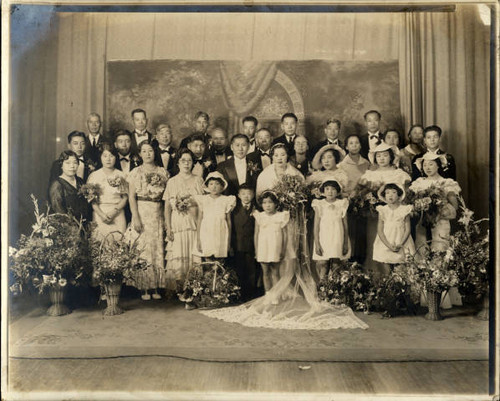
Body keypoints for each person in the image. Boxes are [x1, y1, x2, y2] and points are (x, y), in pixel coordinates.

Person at [200, 144, 368, 330]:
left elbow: (303, 197)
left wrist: (291, 202)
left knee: (289, 249)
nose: (280, 158)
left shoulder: (296, 174)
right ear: (272, 157)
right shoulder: (265, 174)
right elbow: (260, 197)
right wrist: (273, 207)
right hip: (271, 218)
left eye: (283, 155)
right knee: (273, 252)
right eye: (276, 155)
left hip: (290, 218)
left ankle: (290, 286)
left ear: (287, 156)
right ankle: (275, 291)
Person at [410, 152, 462, 308]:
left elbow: (455, 208)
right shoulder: (418, 183)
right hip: (422, 225)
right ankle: (425, 299)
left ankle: (440, 299)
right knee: (422, 255)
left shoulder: (447, 183)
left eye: (431, 164)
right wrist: (421, 208)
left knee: (439, 256)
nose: (428, 167)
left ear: (438, 165)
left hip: (440, 224)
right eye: (425, 165)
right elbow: (411, 205)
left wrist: (438, 209)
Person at [359, 143, 411, 274]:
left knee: (397, 248)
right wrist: (371, 202)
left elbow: (404, 195)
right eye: (379, 156)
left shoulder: (399, 174)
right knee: (377, 247)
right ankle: (378, 280)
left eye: (385, 155)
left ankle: (398, 283)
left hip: (396, 217)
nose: (382, 159)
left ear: (391, 157)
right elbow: (362, 195)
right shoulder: (369, 174)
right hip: (375, 217)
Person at [127, 141, 168, 300]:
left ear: (154, 152)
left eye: (150, 150)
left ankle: (156, 287)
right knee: (144, 248)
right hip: (142, 211)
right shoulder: (135, 172)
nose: (148, 154)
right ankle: (144, 288)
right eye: (144, 151)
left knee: (157, 247)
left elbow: (165, 198)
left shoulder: (162, 172)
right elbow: (131, 197)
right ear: (140, 154)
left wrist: (165, 218)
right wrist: (135, 217)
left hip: (157, 211)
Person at [163, 148, 204, 294]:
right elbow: (167, 207)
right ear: (178, 163)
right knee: (179, 254)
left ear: (193, 163)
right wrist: (168, 227)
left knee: (193, 255)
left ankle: (192, 290)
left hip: (193, 223)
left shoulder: (198, 180)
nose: (186, 164)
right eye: (183, 160)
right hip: (177, 224)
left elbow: (202, 206)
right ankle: (179, 289)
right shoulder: (172, 181)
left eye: (189, 160)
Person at [337, 134, 370, 264]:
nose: (354, 146)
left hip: (363, 203)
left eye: (356, 143)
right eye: (351, 143)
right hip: (347, 202)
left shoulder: (367, 163)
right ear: (346, 146)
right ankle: (348, 263)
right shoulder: (341, 165)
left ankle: (361, 263)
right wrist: (348, 196)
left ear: (360, 145)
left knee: (362, 234)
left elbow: (370, 182)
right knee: (348, 232)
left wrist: (362, 194)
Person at [86, 143, 128, 240]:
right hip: (99, 213)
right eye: (105, 156)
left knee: (118, 244)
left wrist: (115, 211)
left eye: (111, 156)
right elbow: (92, 199)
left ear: (115, 157)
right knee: (99, 244)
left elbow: (125, 198)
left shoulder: (121, 175)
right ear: (100, 157)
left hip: (117, 213)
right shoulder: (94, 176)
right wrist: (101, 215)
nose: (108, 159)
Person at [253, 191, 289, 301]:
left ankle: (276, 295)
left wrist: (283, 249)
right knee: (265, 272)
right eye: (264, 203)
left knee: (275, 272)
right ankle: (268, 294)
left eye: (270, 202)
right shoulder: (259, 216)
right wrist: (256, 249)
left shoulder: (281, 216)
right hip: (263, 247)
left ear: (276, 204)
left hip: (275, 247)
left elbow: (285, 235)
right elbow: (256, 234)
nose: (267, 205)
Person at [373, 183, 415, 275]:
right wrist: (388, 245)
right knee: (386, 273)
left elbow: (408, 229)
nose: (390, 195)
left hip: (401, 242)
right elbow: (380, 230)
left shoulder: (404, 210)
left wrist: (400, 244)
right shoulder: (383, 210)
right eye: (387, 193)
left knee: (400, 273)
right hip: (386, 242)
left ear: (399, 195)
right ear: (384, 196)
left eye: (394, 192)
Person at [312, 179, 350, 279]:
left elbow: (345, 225)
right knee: (323, 264)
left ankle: (334, 291)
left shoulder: (342, 203)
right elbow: (316, 226)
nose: (330, 191)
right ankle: (322, 290)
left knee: (336, 265)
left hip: (337, 237)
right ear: (323, 191)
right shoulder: (319, 204)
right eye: (327, 189)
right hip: (324, 238)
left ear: (337, 191)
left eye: (333, 189)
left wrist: (345, 242)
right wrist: (317, 243)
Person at [195, 172, 236, 261]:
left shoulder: (226, 200)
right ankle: (209, 275)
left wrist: (228, 241)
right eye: (211, 184)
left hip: (221, 232)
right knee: (208, 258)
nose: (214, 187)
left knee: (219, 261)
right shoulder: (203, 200)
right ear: (207, 186)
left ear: (222, 186)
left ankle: (218, 275)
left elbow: (228, 221)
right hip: (206, 233)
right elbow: (199, 219)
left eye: (217, 184)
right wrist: (198, 239)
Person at [231, 183, 259, 301]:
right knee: (239, 269)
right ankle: (240, 293)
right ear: (238, 195)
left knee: (252, 268)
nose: (246, 196)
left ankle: (252, 292)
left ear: (253, 195)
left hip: (252, 244)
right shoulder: (234, 209)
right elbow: (231, 228)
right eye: (243, 194)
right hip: (238, 244)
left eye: (249, 194)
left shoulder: (257, 209)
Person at [48, 150, 90, 223]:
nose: (72, 166)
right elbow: (59, 213)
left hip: (84, 224)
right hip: (67, 227)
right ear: (61, 165)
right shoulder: (57, 185)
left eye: (75, 163)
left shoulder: (80, 181)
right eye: (68, 163)